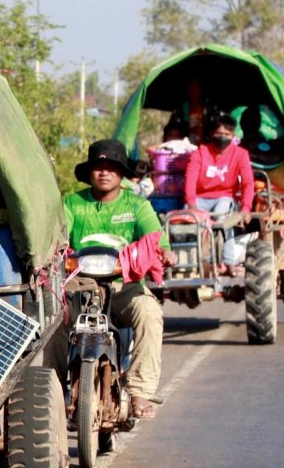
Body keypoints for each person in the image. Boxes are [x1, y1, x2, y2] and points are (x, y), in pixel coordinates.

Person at [64, 139, 177, 420]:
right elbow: (56, 238)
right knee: (48, 320)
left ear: (121, 173)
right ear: (90, 172)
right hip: (79, 287)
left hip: (122, 288)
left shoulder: (137, 206)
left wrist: (164, 252)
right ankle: (53, 389)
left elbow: (155, 236)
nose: (104, 172)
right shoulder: (72, 203)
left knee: (150, 313)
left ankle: (139, 390)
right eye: (98, 167)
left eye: (111, 167)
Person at [183, 112, 256, 274]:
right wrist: (191, 204)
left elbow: (247, 183)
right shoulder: (200, 153)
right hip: (200, 199)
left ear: (233, 135)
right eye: (218, 133)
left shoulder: (240, 154)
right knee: (190, 222)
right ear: (211, 134)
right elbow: (190, 180)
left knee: (224, 219)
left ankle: (228, 262)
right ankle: (189, 262)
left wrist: (246, 208)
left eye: (226, 134)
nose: (222, 137)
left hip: (224, 197)